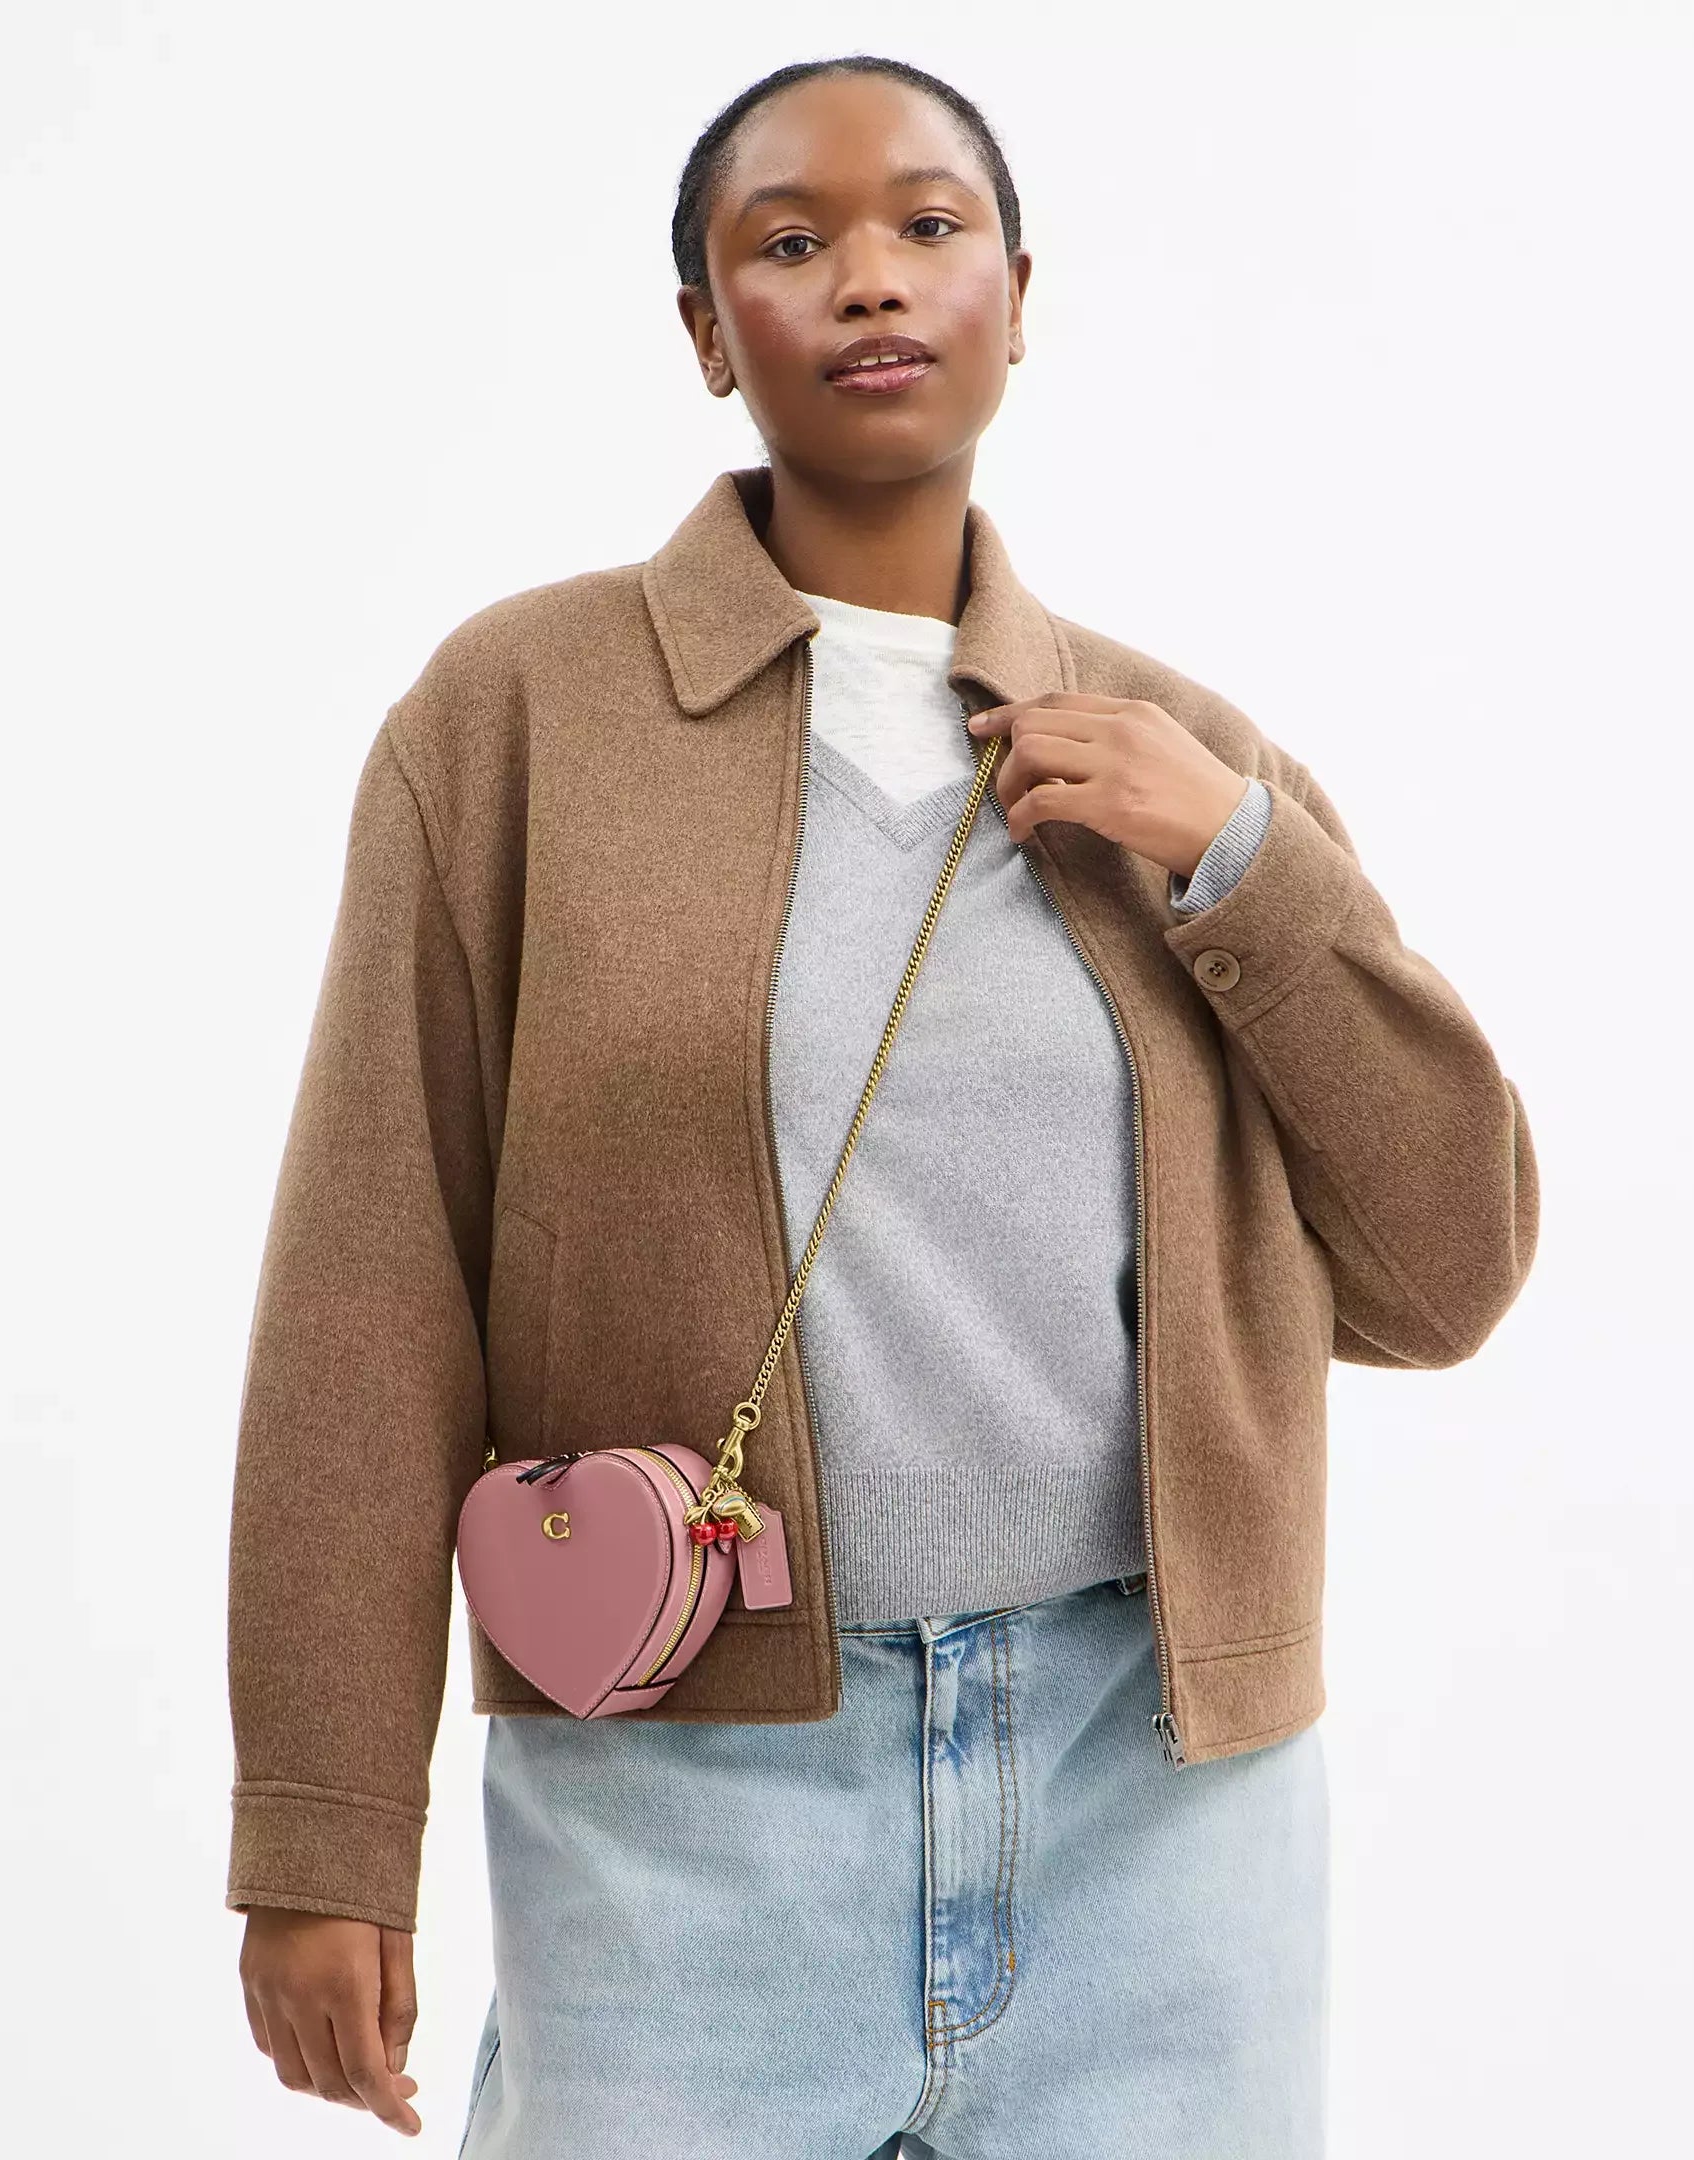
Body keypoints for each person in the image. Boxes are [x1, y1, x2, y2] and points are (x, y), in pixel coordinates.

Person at [225, 53, 1538, 2160]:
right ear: (703, 329)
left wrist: (1240, 863)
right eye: (789, 240)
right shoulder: (518, 719)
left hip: (1157, 1795)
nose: (869, 278)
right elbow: (370, 1296)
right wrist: (323, 1828)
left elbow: (1442, 1273)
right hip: (681, 1807)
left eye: (930, 227)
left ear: (1018, 297)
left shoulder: (1187, 750)